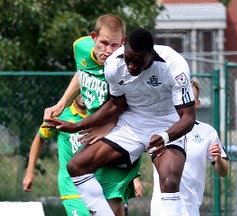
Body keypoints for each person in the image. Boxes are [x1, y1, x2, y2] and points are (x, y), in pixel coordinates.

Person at [43, 27, 196, 216]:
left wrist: (165, 136)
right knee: (77, 166)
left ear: (151, 54)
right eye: (128, 59)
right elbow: (116, 105)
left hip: (168, 124)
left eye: (137, 61)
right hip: (132, 124)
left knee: (170, 180)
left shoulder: (174, 65)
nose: (131, 66)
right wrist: (77, 126)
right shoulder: (114, 64)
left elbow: (188, 117)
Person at [42, 14, 142, 215]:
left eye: (114, 45)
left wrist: (109, 124)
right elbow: (82, 71)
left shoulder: (125, 65)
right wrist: (62, 103)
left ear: (122, 42)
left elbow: (133, 102)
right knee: (99, 202)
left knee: (109, 201)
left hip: (122, 132)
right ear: (94, 37)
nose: (108, 50)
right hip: (96, 134)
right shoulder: (80, 47)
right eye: (104, 43)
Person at [23, 94, 142, 216]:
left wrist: (135, 179)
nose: (82, 94)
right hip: (71, 188)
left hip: (99, 184)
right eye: (79, 90)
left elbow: (119, 148)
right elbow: (40, 138)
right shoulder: (61, 115)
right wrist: (30, 171)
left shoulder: (101, 117)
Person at [150, 80, 229, 216]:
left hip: (191, 209)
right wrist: (134, 179)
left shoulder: (208, 132)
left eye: (190, 99)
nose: (184, 102)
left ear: (197, 104)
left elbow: (224, 171)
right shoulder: (161, 129)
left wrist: (218, 159)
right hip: (162, 208)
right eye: (182, 97)